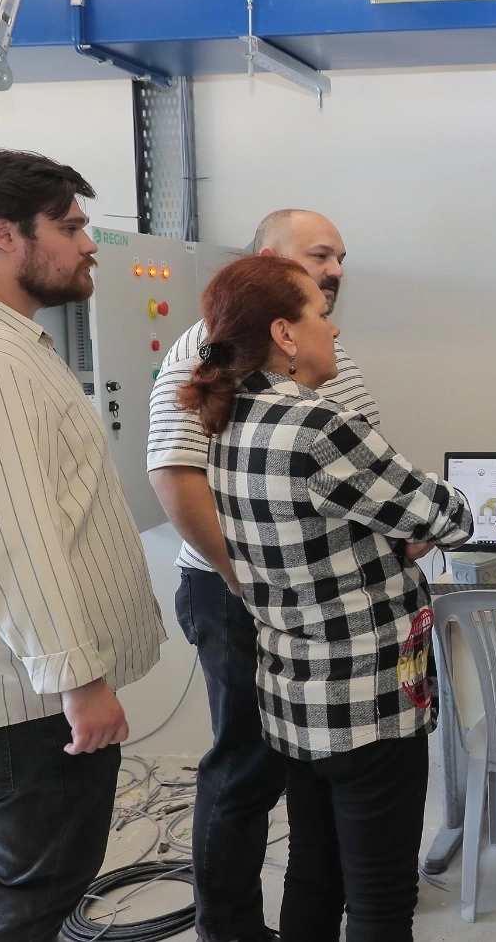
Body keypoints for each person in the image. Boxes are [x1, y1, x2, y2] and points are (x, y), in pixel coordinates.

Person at [0, 149, 165, 941]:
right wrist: (78, 682)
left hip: (13, 692)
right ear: (4, 233)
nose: (89, 246)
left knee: (26, 888)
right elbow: (12, 542)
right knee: (27, 902)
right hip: (21, 705)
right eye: (72, 227)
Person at [178, 254, 472, 942]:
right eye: (319, 314)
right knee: (380, 898)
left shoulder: (229, 419)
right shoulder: (318, 424)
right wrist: (410, 522)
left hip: (291, 695)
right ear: (284, 333)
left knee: (314, 873)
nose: (333, 329)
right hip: (367, 701)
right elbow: (447, 515)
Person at [147, 210, 377, 942]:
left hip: (310, 597)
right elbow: (175, 474)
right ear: (268, 259)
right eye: (320, 255)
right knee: (248, 767)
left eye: (340, 257)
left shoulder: (321, 348)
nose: (336, 270)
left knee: (319, 761)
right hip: (239, 595)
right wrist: (246, 577)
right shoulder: (208, 348)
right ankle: (231, 930)